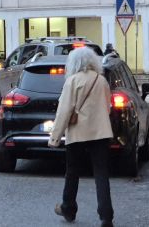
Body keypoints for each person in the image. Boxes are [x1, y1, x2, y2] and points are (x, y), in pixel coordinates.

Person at [48, 47, 114, 227]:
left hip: (77, 132)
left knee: (72, 172)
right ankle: (106, 216)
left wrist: (55, 137)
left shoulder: (72, 81)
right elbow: (107, 107)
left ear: (73, 63)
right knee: (101, 173)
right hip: (100, 132)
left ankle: (68, 208)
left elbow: (64, 111)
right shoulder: (101, 80)